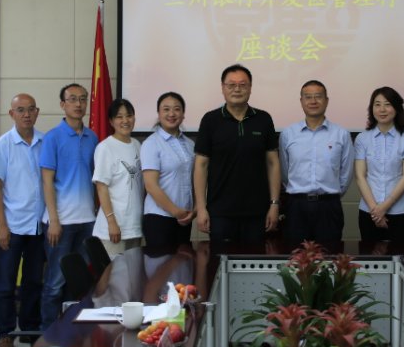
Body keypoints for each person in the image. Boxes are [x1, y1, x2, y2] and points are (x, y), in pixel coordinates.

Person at [194, 64, 281, 245]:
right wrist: (201, 208)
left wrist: (274, 204)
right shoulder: (210, 120)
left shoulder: (263, 119)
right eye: (231, 85)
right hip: (220, 212)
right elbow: (201, 166)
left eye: (242, 84)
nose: (237, 89)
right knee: (220, 260)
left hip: (257, 212)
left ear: (250, 88)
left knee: (254, 260)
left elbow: (273, 163)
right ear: (222, 88)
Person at [0, 93, 45, 347]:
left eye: (31, 109)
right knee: (6, 284)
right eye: (20, 110)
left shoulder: (45, 142)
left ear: (37, 112)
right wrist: (1, 224)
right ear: (11, 114)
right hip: (11, 225)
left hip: (38, 225)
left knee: (33, 281)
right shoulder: (3, 145)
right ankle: (5, 333)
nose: (26, 114)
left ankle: (29, 328)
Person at [39, 83, 98, 328]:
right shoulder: (52, 137)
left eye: (83, 99)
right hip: (60, 223)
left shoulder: (93, 137)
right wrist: (54, 220)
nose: (78, 104)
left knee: (78, 282)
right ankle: (47, 334)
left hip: (87, 221)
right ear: (62, 104)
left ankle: (70, 332)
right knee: (55, 283)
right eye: (72, 99)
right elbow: (47, 181)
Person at [278, 80, 354, 245]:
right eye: (308, 97)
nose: (313, 101)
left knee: (330, 255)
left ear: (326, 100)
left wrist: (331, 195)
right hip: (296, 206)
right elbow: (284, 173)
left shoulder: (341, 134)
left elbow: (346, 173)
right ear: (301, 101)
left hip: (329, 206)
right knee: (295, 256)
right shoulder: (288, 134)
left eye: (318, 96)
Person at [354, 87, 404, 244]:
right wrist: (375, 210)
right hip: (369, 212)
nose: (382, 109)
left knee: (401, 256)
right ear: (372, 109)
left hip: (400, 212)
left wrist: (383, 207)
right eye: (377, 104)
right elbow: (360, 176)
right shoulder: (362, 138)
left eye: (387, 104)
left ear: (397, 108)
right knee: (369, 256)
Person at [141, 92, 196, 247]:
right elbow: (151, 185)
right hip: (159, 218)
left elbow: (194, 181)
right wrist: (175, 211)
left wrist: (195, 210)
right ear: (158, 114)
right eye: (166, 109)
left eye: (177, 109)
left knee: (184, 261)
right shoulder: (151, 143)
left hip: (185, 218)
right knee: (162, 262)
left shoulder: (190, 144)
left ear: (183, 114)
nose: (171, 114)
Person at [91, 98, 144, 257]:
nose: (125, 121)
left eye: (129, 116)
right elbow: (101, 187)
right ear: (111, 121)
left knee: (134, 270)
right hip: (114, 228)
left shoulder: (137, 145)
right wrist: (111, 222)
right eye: (119, 117)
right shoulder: (105, 148)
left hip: (134, 226)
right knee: (116, 272)